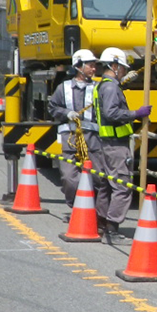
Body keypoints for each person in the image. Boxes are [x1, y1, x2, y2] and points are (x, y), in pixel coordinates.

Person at [92, 47, 151, 241]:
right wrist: (136, 114)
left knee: (107, 185)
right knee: (121, 186)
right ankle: (112, 229)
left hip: (107, 143)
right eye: (123, 68)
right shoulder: (110, 88)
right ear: (115, 66)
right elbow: (111, 113)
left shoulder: (104, 85)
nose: (124, 72)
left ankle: (102, 224)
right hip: (116, 144)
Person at [48, 48, 101, 207]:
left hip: (93, 141)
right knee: (69, 179)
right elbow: (52, 107)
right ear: (78, 66)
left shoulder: (98, 87)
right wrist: (67, 113)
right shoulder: (63, 88)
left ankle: (94, 211)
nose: (94, 69)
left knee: (98, 178)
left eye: (94, 66)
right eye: (90, 65)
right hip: (70, 139)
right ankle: (75, 205)